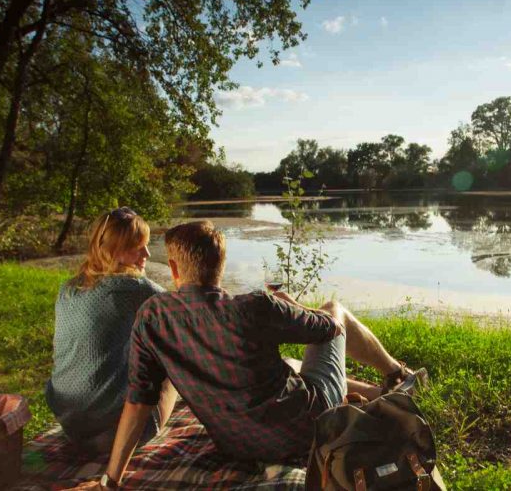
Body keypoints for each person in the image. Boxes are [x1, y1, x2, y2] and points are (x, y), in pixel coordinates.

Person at [78, 220, 424, 489]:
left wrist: (110, 481)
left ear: (173, 269)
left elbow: (138, 402)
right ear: (221, 266)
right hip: (309, 425)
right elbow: (330, 330)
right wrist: (291, 307)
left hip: (237, 444)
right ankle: (397, 372)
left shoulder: (152, 317)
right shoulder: (255, 306)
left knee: (286, 366)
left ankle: (381, 393)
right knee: (335, 309)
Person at [45, 207, 177, 454]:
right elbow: (188, 312)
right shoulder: (136, 288)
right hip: (118, 433)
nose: (147, 253)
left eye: (146, 245)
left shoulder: (68, 288)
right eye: (137, 247)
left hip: (71, 424)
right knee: (171, 359)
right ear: (113, 250)